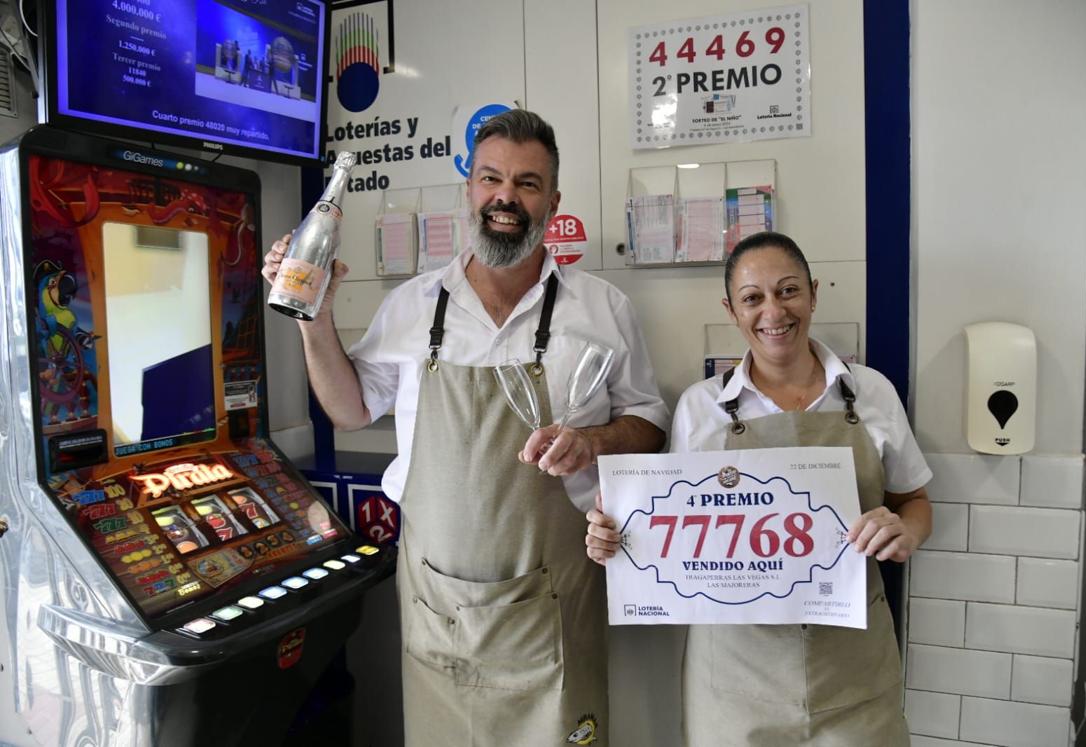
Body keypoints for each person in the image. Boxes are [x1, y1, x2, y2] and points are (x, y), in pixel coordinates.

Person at [262, 109, 669, 745]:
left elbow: (649, 423)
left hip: (556, 602)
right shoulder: (413, 305)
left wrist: (593, 442)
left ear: (553, 201)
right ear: (469, 189)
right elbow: (348, 409)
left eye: (528, 183)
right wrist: (313, 316)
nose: (506, 197)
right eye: (491, 179)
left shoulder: (602, 308)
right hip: (438, 605)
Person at [585, 231, 932, 745]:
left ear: (813, 293)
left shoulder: (872, 392)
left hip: (854, 668)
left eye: (788, 290)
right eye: (753, 298)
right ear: (732, 309)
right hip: (733, 677)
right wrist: (616, 537)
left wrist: (905, 530)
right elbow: (671, 530)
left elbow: (914, 500)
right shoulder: (701, 408)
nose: (773, 311)